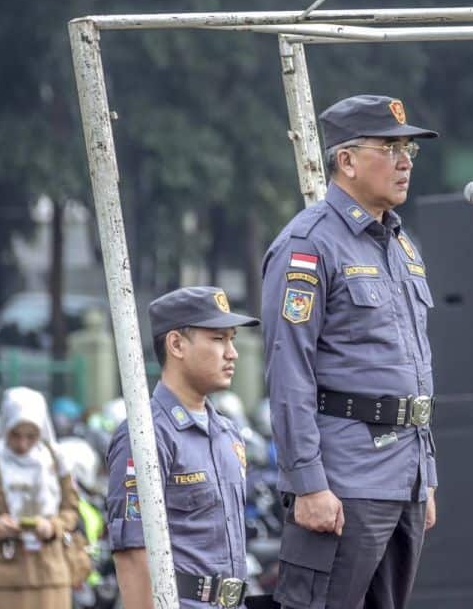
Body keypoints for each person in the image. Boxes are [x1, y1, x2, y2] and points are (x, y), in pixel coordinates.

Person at [261, 94, 440, 609]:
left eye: (409, 149)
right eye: (391, 147)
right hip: (343, 480)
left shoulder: (401, 245)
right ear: (347, 160)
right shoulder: (309, 244)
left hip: (403, 477)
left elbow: (412, 366)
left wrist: (425, 476)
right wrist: (308, 483)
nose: (406, 161)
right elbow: (288, 370)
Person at [106, 286, 258, 609]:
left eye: (231, 339)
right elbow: (133, 555)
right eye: (218, 339)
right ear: (176, 344)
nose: (232, 352)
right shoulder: (147, 436)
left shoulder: (229, 434)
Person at [0, 387, 80, 609]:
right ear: (5, 427)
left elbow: (72, 510)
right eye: (15, 434)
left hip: (50, 575)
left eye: (31, 436)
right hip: (3, 578)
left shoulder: (57, 462)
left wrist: (53, 526)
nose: (23, 444)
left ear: (41, 432)